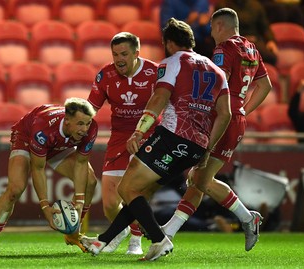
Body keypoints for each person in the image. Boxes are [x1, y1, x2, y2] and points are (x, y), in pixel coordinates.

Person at [81, 17, 232, 261]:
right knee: (140, 190)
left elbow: (159, 98)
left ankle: (159, 240)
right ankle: (103, 241)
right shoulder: (216, 70)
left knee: (127, 188)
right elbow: (225, 114)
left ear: (169, 42)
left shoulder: (171, 63)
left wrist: (140, 131)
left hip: (171, 136)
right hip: (197, 145)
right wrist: (206, 149)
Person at [161, 7, 273, 252]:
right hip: (236, 119)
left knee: (200, 177)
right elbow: (265, 86)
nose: (211, 33)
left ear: (220, 26)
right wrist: (242, 110)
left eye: (212, 28)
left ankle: (246, 217)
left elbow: (218, 83)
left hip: (220, 117)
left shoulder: (224, 48)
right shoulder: (251, 48)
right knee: (199, 178)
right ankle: (168, 232)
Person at [0, 97, 98, 256]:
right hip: (27, 138)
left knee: (90, 182)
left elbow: (81, 163)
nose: (85, 129)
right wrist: (45, 207)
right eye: (80, 124)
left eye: (88, 123)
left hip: (58, 144)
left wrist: (79, 200)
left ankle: (73, 233)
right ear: (67, 120)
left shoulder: (91, 129)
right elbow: (38, 168)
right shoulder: (43, 128)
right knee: (15, 189)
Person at [87, 32, 159, 255]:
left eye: (124, 54)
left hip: (148, 136)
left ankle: (135, 242)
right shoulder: (106, 75)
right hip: (119, 137)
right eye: (115, 54)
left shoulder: (155, 73)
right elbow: (91, 108)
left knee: (136, 193)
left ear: (137, 53)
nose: (119, 59)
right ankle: (121, 231)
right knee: (109, 202)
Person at [215, 0, 279, 66]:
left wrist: (270, 41)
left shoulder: (256, 5)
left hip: (253, 42)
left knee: (271, 58)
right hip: (233, 42)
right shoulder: (223, 6)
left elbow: (265, 28)